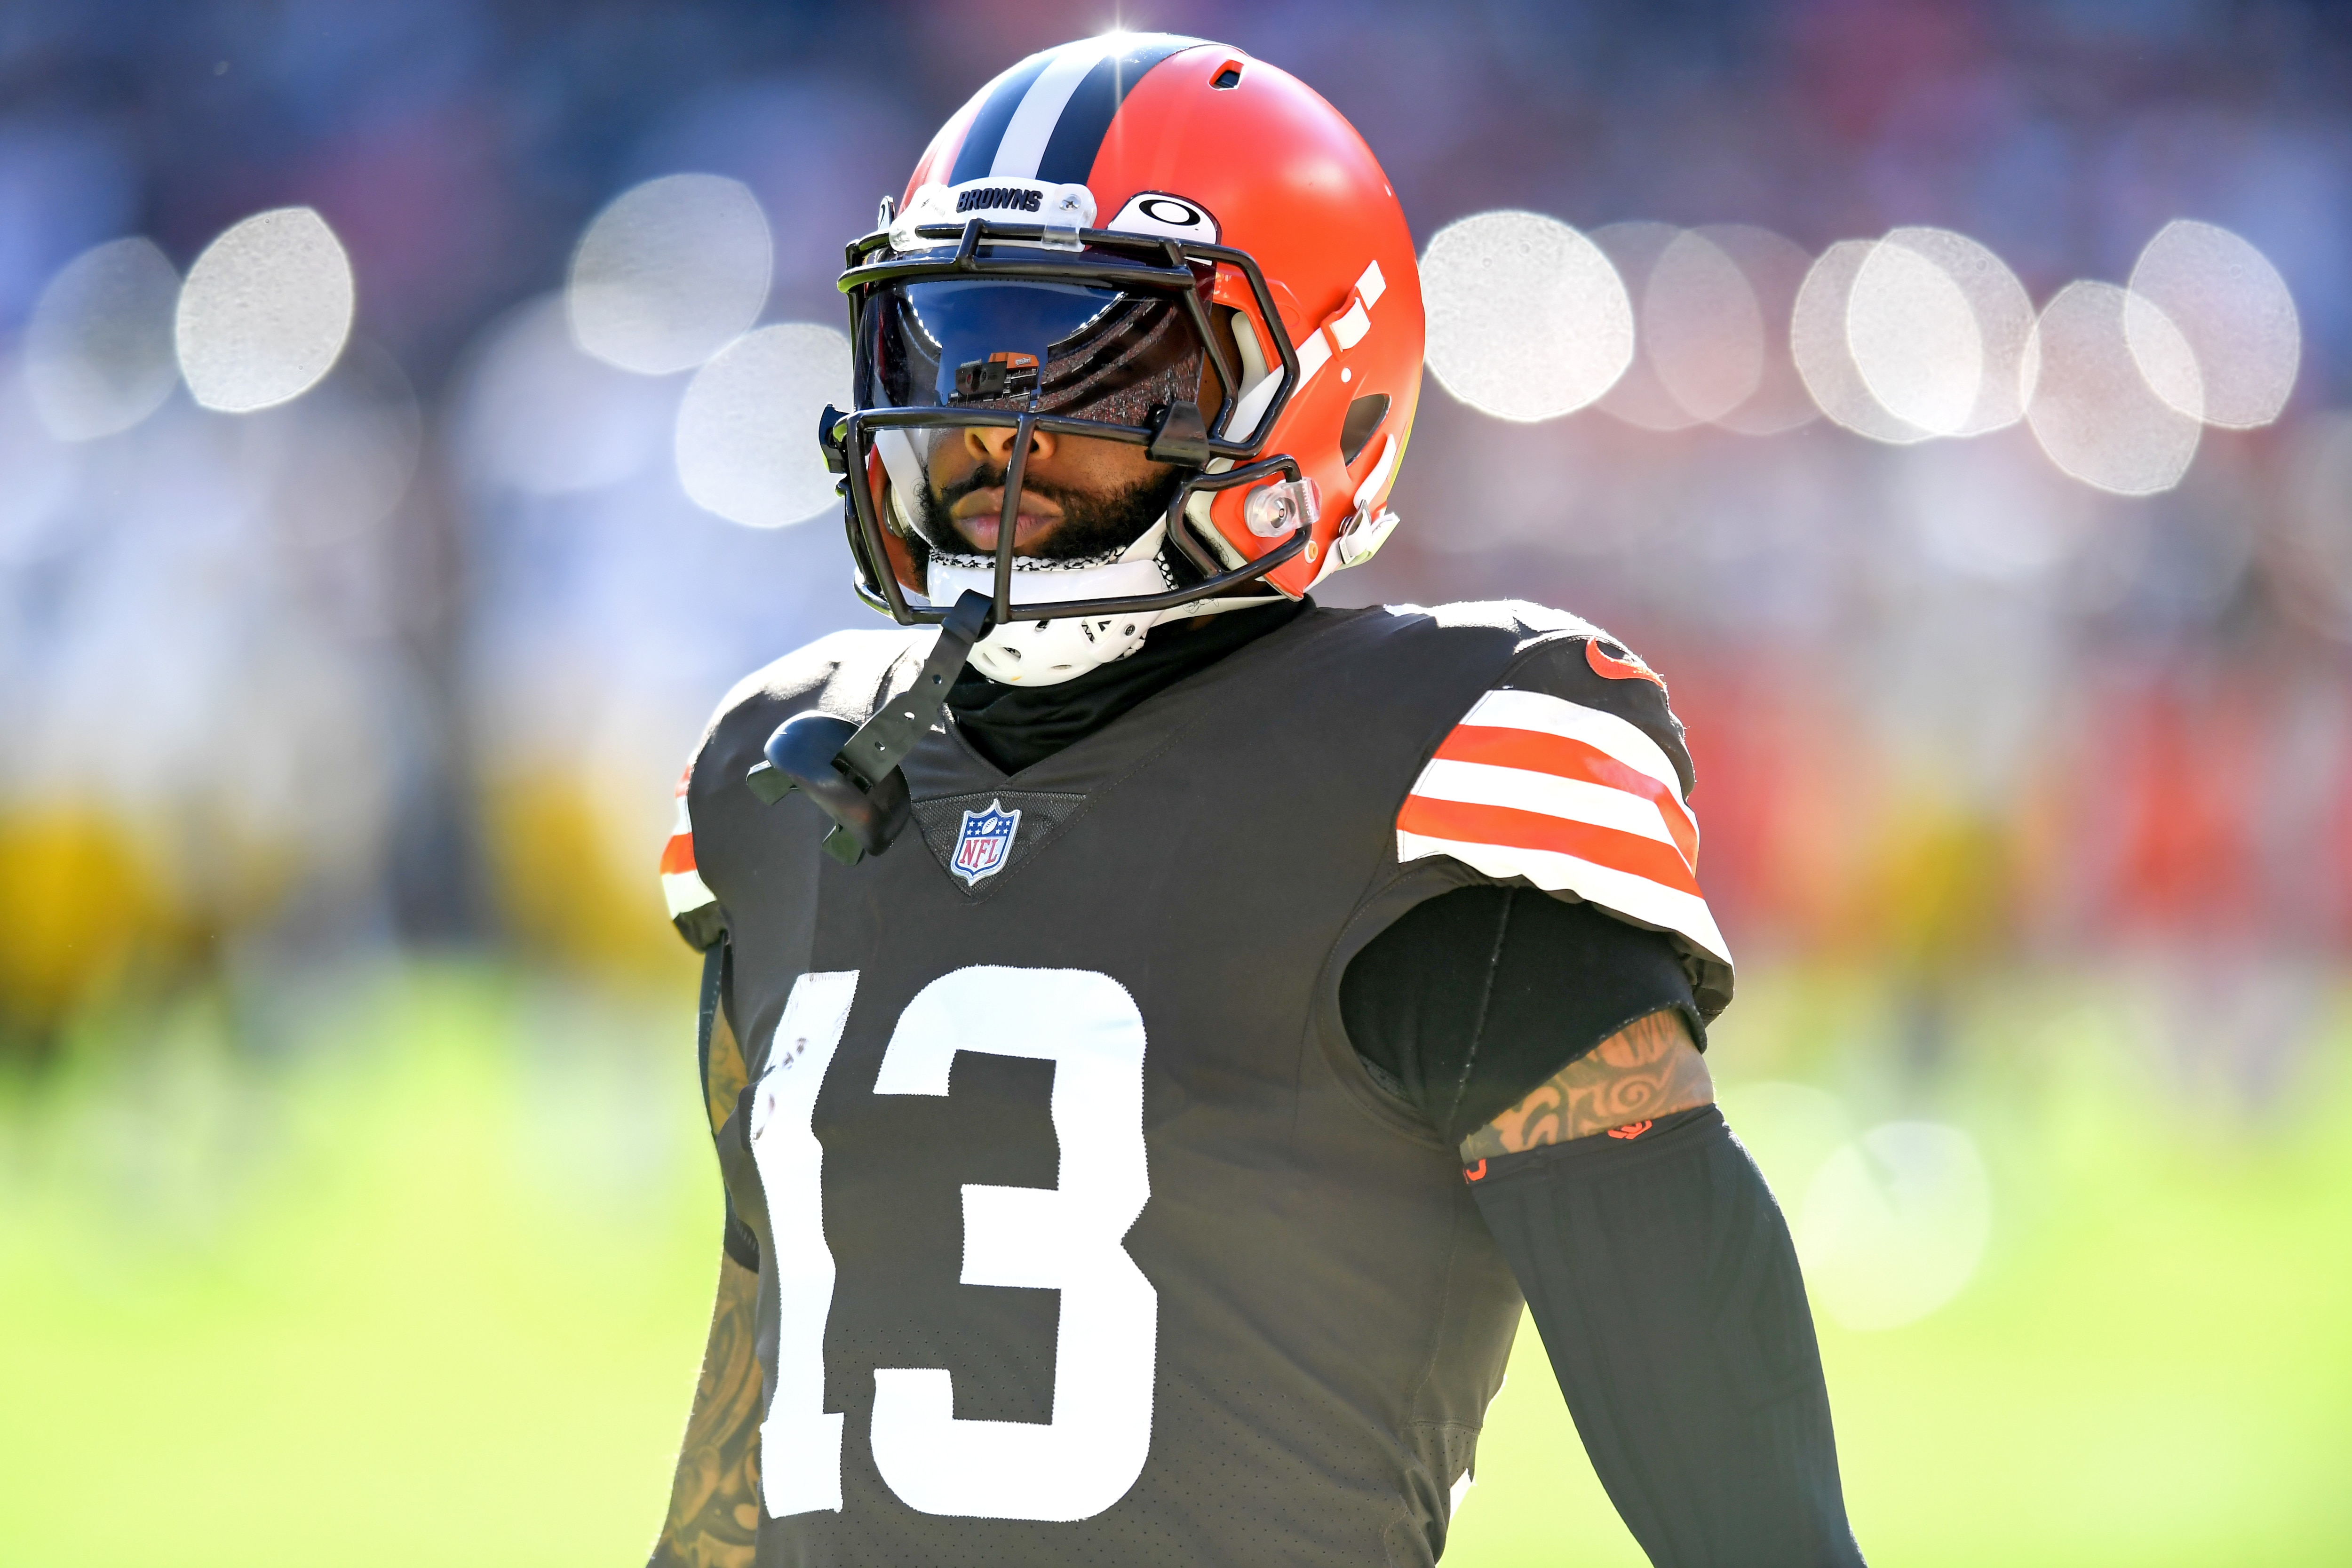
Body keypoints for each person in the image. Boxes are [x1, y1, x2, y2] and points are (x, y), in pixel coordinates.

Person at [649, 33, 1863, 1568]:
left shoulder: (1428, 776)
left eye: (1092, 360)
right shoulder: (784, 776)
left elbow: (1731, 1476)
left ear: (1316, 388)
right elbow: (760, 1412)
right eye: (947, 347)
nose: (989, 428)